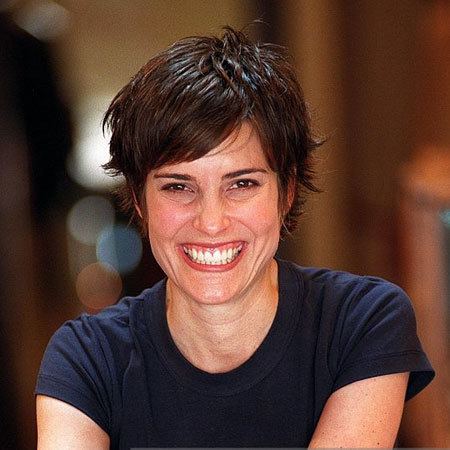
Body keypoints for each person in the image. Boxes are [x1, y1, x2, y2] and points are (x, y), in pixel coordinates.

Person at [36, 27, 434, 449]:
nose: (211, 222)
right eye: (178, 186)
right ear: (138, 200)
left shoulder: (362, 322)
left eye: (241, 184)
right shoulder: (86, 359)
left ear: (287, 192)